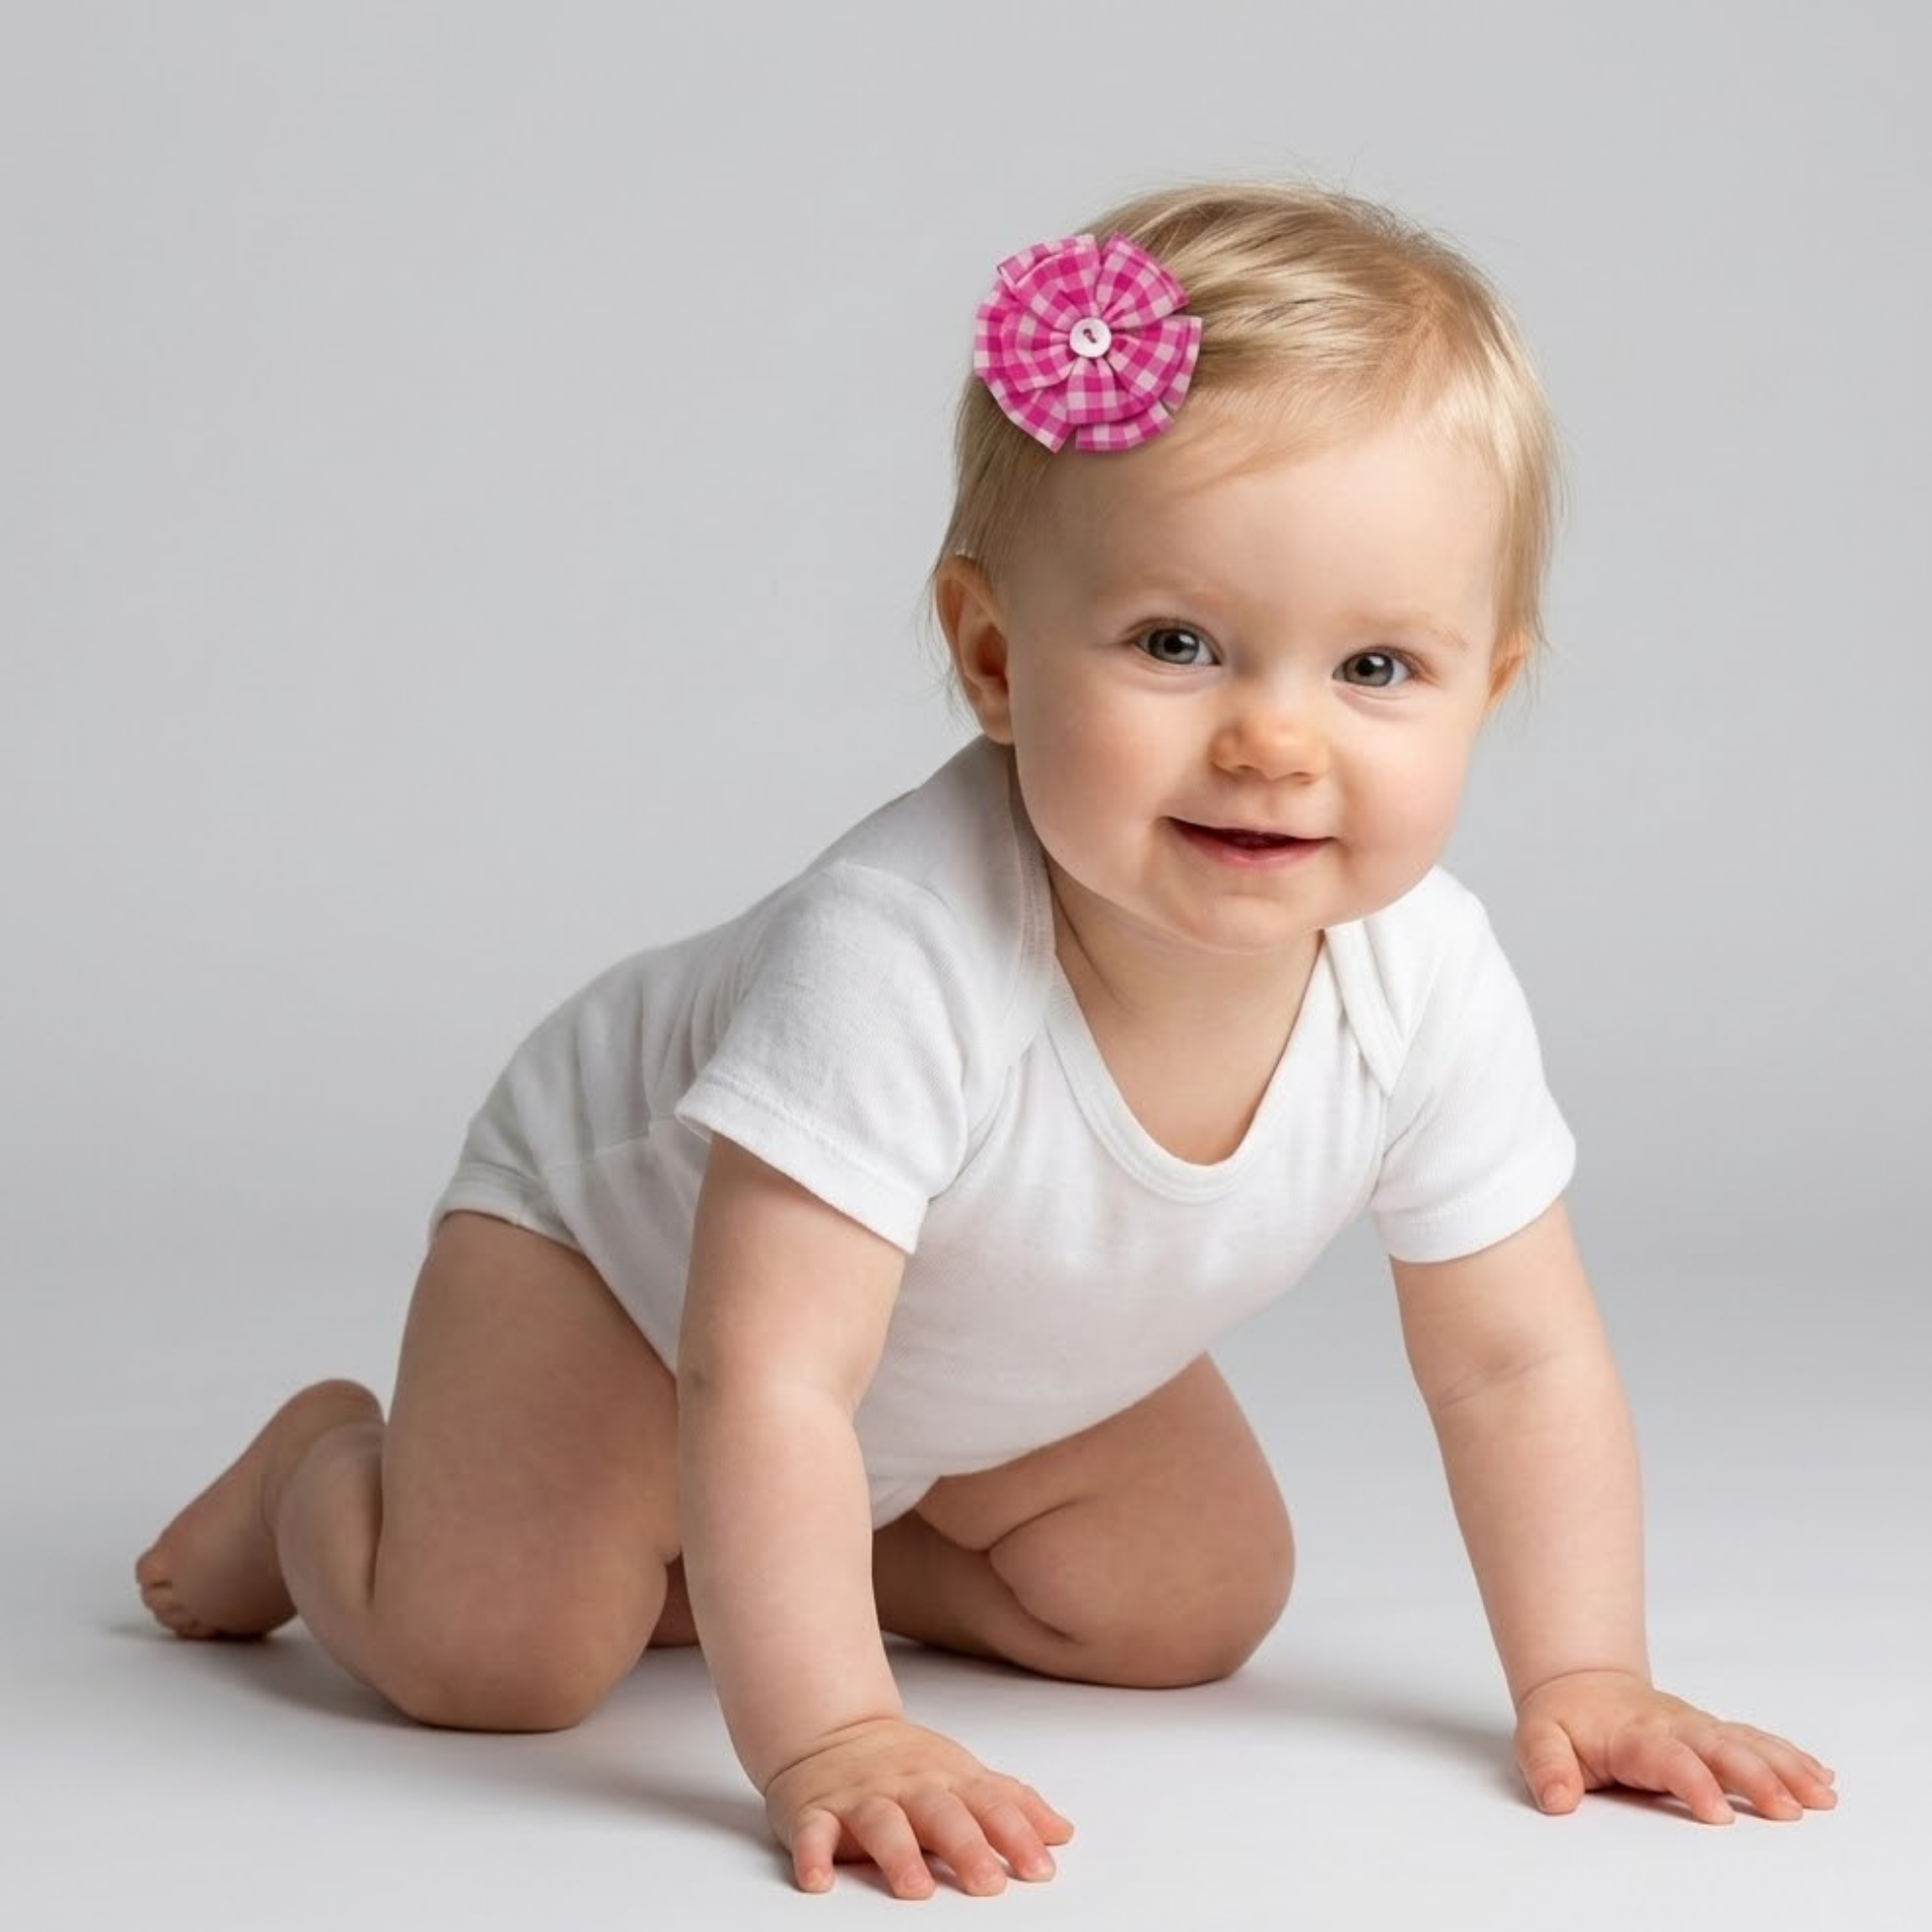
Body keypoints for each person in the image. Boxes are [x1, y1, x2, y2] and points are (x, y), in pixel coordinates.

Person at [136, 181, 1836, 1899]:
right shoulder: (901, 953)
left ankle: (767, 1555)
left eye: (1380, 667)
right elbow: (771, 1372)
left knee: (1191, 1604)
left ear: (1492, 685)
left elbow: (1513, 1362)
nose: (1273, 738)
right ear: (994, 655)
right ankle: (325, 1473)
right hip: (617, 1281)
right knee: (497, 1657)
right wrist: (830, 1733)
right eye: (1177, 644)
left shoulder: (1428, 977)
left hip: (948, 1355)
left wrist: (1588, 1676)